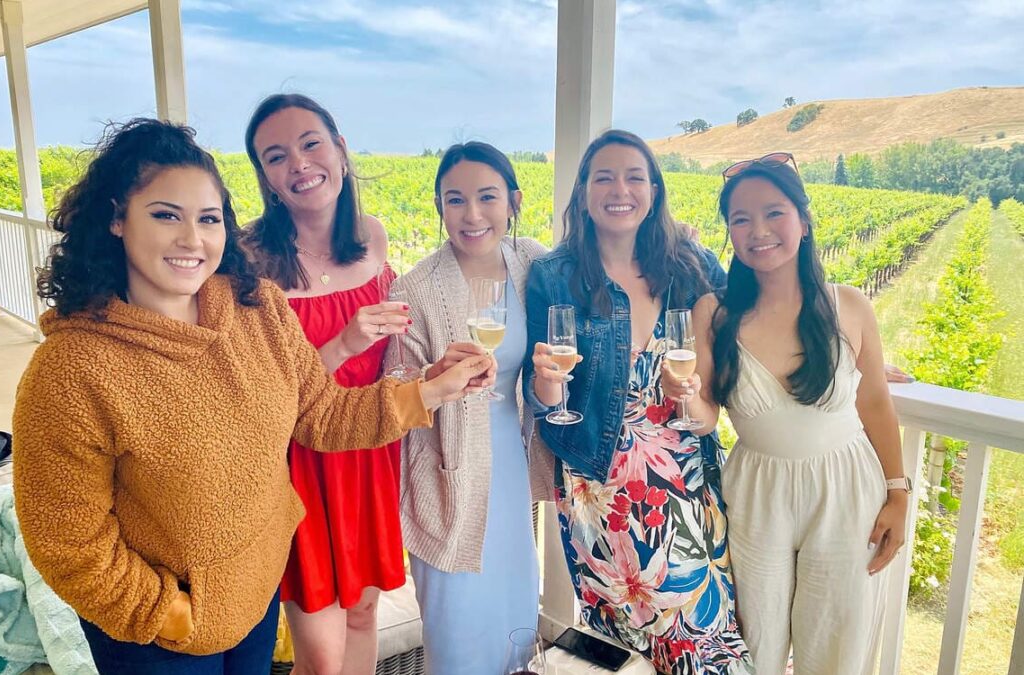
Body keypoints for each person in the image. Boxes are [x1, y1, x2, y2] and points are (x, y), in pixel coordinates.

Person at [11, 118, 487, 675]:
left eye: (208, 219)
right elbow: (67, 539)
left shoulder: (256, 310)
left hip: (257, 599)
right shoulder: (72, 368)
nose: (192, 239)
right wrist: (170, 614)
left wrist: (429, 390)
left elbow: (323, 414)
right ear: (117, 218)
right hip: (159, 636)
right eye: (166, 215)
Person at [661, 153, 907, 674]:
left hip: (847, 488)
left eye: (774, 213)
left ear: (804, 219)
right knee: (755, 638)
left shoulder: (850, 307)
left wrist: (898, 494)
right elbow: (705, 416)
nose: (758, 231)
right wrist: (682, 393)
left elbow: (876, 402)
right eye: (741, 219)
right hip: (756, 492)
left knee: (837, 641)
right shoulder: (716, 313)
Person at [523, 129, 752, 674]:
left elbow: (757, 314)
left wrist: (839, 352)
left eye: (634, 177)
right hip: (598, 493)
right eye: (603, 176)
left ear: (653, 190)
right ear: (583, 192)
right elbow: (542, 398)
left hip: (684, 486)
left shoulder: (689, 263)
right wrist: (546, 384)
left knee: (708, 644)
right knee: (627, 655)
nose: (619, 189)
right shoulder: (553, 276)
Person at [242, 93, 423, 675]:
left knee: (365, 615)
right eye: (276, 156)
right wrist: (343, 342)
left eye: (310, 143)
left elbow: (391, 354)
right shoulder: (248, 259)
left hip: (369, 454)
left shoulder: (372, 235)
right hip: (300, 466)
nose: (298, 163)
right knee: (319, 656)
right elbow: (263, 393)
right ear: (266, 178)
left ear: (341, 152)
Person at [387, 142, 554, 674]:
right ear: (439, 207)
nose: (473, 214)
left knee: (515, 619)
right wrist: (433, 380)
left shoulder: (532, 261)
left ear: (513, 201)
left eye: (487, 197)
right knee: (457, 627)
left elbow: (598, 273)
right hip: (448, 477)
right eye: (455, 200)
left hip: (509, 463)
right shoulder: (415, 287)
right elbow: (394, 392)